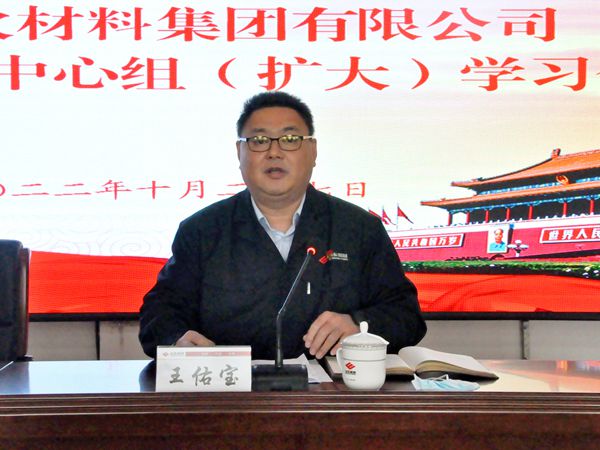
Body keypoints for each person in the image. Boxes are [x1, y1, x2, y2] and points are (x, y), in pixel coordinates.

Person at [139, 92, 426, 360]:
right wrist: (176, 340)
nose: (274, 152)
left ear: (312, 151)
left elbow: (406, 316)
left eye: (290, 139)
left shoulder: (359, 229)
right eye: (259, 140)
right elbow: (159, 313)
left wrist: (359, 325)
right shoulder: (202, 231)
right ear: (240, 152)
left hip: (332, 392)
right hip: (233, 389)